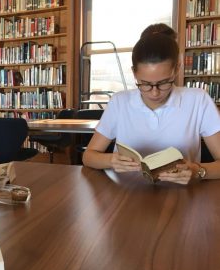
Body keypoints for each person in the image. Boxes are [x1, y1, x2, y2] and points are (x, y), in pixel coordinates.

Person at [82, 26, 220, 184]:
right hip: (126, 195)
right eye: (145, 84)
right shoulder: (119, 102)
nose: (154, 93)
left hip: (182, 197)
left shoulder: (198, 100)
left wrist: (197, 171)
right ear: (134, 73)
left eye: (163, 83)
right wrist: (110, 160)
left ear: (176, 70)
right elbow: (88, 156)